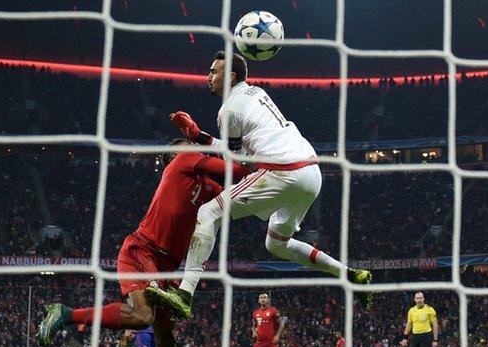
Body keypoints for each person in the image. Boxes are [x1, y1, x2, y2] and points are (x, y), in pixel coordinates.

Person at [146, 50, 373, 318]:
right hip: (311, 172)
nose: (208, 76)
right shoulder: (256, 93)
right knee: (276, 244)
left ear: (230, 75)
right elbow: (242, 153)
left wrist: (199, 141)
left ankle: (185, 293)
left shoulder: (228, 110)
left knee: (208, 213)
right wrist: (199, 136)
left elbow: (237, 164)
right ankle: (349, 275)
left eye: (213, 71)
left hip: (282, 172)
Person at [36, 138, 250, 347]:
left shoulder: (206, 186)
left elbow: (237, 188)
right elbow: (237, 171)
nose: (194, 147)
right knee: (143, 316)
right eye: (188, 145)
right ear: (174, 157)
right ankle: (67, 314)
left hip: (166, 266)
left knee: (165, 334)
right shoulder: (183, 161)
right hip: (143, 250)